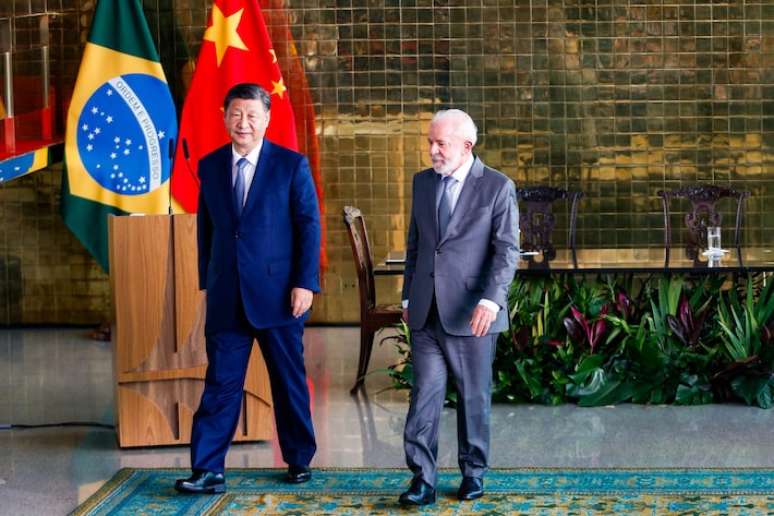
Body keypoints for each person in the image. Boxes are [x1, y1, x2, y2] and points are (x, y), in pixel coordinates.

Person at [175, 83, 321, 494]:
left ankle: (298, 458)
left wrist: (304, 283)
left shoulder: (291, 166)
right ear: (224, 117)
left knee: (288, 381)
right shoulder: (210, 165)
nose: (244, 123)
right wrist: (208, 281)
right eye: (236, 114)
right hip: (227, 297)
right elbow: (208, 229)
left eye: (252, 115)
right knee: (220, 384)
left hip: (279, 296)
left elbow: (309, 227)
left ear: (267, 119)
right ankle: (207, 469)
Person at [399, 109, 519, 506]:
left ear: (467, 146)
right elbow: (416, 246)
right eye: (430, 143)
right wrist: (406, 296)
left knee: (473, 396)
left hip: (473, 313)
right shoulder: (422, 184)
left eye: (440, 144)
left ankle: (473, 473)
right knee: (425, 394)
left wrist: (491, 299)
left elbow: (506, 252)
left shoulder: (498, 187)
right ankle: (422, 479)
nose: (432, 151)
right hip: (425, 312)